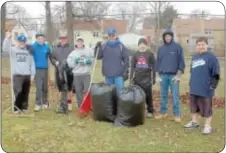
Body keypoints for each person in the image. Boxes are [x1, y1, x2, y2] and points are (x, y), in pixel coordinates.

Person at [184, 37, 220, 135]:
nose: (201, 46)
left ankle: (207, 126)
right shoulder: (194, 57)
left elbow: (216, 73)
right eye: (199, 45)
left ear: (207, 45)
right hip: (194, 87)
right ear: (197, 46)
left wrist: (213, 86)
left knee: (207, 108)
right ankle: (194, 122)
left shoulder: (212, 57)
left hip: (206, 88)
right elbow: (192, 72)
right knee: (193, 107)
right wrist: (190, 84)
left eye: (203, 44)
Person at [155, 28, 185, 122]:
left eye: (169, 36)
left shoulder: (177, 47)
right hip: (163, 76)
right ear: (164, 37)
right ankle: (163, 112)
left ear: (172, 37)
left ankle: (177, 115)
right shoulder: (161, 49)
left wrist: (178, 75)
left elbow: (181, 62)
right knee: (163, 95)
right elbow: (158, 63)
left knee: (175, 96)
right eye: (166, 36)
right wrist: (157, 75)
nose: (168, 37)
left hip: (174, 76)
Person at [2, 32, 35, 113]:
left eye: (23, 42)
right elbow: (5, 49)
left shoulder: (29, 51)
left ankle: (24, 108)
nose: (22, 43)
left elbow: (32, 63)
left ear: (25, 42)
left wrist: (32, 74)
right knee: (18, 91)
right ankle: (17, 108)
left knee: (25, 92)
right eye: (20, 41)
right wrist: (7, 39)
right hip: (17, 75)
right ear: (17, 41)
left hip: (27, 75)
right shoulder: (13, 50)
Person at [95, 28, 129, 93]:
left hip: (118, 74)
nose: (111, 37)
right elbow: (98, 56)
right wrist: (97, 47)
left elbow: (126, 59)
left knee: (120, 93)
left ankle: (119, 103)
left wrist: (125, 71)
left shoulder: (121, 46)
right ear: (108, 36)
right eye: (110, 35)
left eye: (113, 35)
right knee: (109, 93)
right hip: (108, 74)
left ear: (115, 36)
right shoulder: (104, 46)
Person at [130, 38, 156, 118]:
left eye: (143, 44)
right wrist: (131, 78)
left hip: (147, 79)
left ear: (146, 45)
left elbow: (154, 67)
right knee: (137, 96)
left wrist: (153, 78)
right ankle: (138, 110)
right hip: (137, 78)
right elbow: (132, 67)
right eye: (140, 44)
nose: (142, 46)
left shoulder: (150, 54)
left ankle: (150, 111)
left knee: (148, 96)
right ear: (138, 45)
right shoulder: (135, 55)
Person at [67, 37, 94, 108]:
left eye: (81, 41)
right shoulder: (73, 53)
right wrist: (74, 61)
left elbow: (93, 59)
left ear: (83, 42)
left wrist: (89, 61)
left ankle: (88, 106)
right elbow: (70, 64)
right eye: (78, 42)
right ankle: (80, 106)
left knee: (87, 91)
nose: (80, 43)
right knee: (78, 91)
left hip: (86, 74)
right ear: (76, 43)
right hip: (77, 75)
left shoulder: (89, 50)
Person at [32, 32, 56, 111]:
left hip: (45, 69)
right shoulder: (33, 46)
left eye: (42, 38)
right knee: (39, 87)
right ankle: (38, 104)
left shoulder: (47, 47)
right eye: (39, 38)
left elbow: (51, 57)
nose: (40, 40)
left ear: (44, 39)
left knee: (45, 87)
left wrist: (55, 63)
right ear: (36, 39)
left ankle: (44, 103)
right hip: (37, 69)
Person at [50, 35, 74, 113]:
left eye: (64, 39)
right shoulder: (55, 48)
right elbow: (52, 58)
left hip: (69, 71)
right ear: (59, 39)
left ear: (67, 39)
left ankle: (69, 104)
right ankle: (60, 104)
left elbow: (74, 58)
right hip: (59, 71)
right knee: (60, 88)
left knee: (69, 89)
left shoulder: (71, 48)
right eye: (61, 39)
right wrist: (55, 62)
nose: (63, 40)